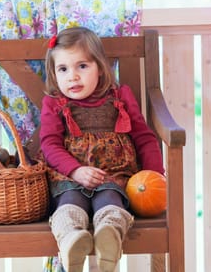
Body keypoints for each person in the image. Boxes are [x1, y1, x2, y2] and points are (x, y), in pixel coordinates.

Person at [40, 27, 165, 272]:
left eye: (82, 66)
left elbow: (144, 137)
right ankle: (71, 241)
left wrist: (153, 175)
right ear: (55, 75)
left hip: (114, 177)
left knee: (111, 203)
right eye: (63, 69)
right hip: (70, 179)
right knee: (69, 204)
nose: (73, 77)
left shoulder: (119, 96)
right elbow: (49, 144)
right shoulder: (54, 103)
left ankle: (110, 237)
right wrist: (75, 171)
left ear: (99, 66)